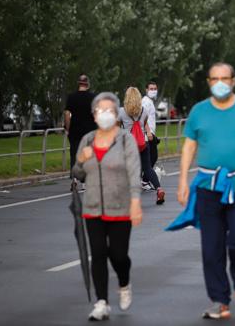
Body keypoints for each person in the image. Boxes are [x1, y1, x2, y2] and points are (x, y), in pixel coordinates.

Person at [174, 62, 235, 319]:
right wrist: (183, 180)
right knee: (211, 247)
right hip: (208, 188)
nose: (219, 82)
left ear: (233, 81)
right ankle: (219, 299)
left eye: (224, 78)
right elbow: (189, 147)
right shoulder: (199, 111)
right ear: (208, 82)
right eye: (214, 78)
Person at [71, 92, 143, 321]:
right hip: (93, 208)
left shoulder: (125, 140)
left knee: (119, 255)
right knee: (98, 254)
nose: (105, 115)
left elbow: (134, 172)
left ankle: (124, 282)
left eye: (109, 110)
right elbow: (77, 174)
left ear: (116, 113)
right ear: (94, 115)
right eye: (100, 111)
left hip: (120, 208)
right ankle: (101, 302)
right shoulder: (87, 140)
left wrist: (135, 202)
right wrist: (81, 160)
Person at [118, 87, 165, 204]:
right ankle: (159, 189)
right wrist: (148, 133)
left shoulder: (121, 111)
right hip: (142, 144)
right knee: (148, 169)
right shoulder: (143, 111)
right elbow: (144, 124)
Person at [64, 74, 97, 180]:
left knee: (74, 154)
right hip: (89, 130)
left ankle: (73, 177)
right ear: (88, 84)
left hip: (75, 130)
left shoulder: (71, 97)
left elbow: (67, 114)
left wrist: (68, 128)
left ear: (78, 84)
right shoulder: (93, 97)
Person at [141, 81, 160, 190]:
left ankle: (145, 179)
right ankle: (144, 180)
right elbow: (143, 118)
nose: (153, 91)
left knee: (150, 158)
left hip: (151, 133)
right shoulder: (145, 102)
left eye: (155, 88)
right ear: (146, 90)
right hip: (148, 134)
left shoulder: (150, 101)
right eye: (151, 89)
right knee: (152, 157)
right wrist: (148, 132)